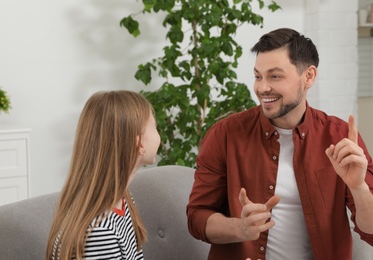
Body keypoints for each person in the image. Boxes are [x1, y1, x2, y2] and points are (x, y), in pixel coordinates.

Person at [186, 28, 373, 259]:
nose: (262, 88)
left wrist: (359, 188)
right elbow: (197, 217)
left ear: (309, 76)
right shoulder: (226, 134)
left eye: (275, 76)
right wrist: (240, 228)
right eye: (258, 76)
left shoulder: (340, 136)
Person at [46, 90, 160, 259]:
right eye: (155, 127)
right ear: (140, 143)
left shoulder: (122, 199)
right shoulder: (100, 231)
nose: (159, 134)